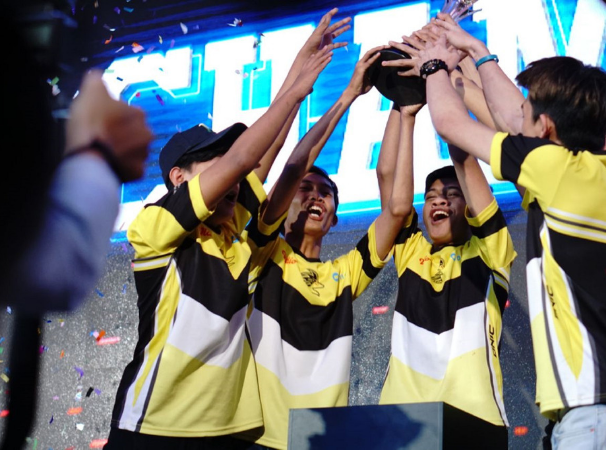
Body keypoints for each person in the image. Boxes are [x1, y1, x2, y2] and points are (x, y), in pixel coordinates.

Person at [105, 10, 348, 448]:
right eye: (213, 163)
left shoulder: (236, 240)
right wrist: (297, 89)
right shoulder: (155, 226)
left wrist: (304, 68)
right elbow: (243, 159)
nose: (233, 176)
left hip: (226, 433)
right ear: (180, 178)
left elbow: (271, 153)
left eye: (229, 165)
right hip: (155, 427)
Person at [391, 15, 606, 449]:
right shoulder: (587, 173)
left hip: (591, 413)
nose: (517, 119)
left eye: (528, 113)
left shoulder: (556, 170)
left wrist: (434, 65)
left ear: (546, 129)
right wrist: (472, 50)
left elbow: (452, 124)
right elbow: (510, 116)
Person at [244, 44, 416, 449]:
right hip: (258, 438)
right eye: (305, 190)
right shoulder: (262, 253)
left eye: (325, 193)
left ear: (335, 217)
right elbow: (293, 167)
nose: (315, 197)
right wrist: (349, 95)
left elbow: (397, 209)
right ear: (282, 205)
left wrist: (404, 109)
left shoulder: (345, 274)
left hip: (322, 441)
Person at [374, 70, 515, 447]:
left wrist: (442, 82)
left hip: (475, 420)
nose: (439, 200)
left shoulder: (490, 250)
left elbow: (467, 165)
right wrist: (404, 111)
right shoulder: (410, 250)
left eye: (451, 194)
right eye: (432, 196)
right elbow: (387, 176)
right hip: (401, 422)